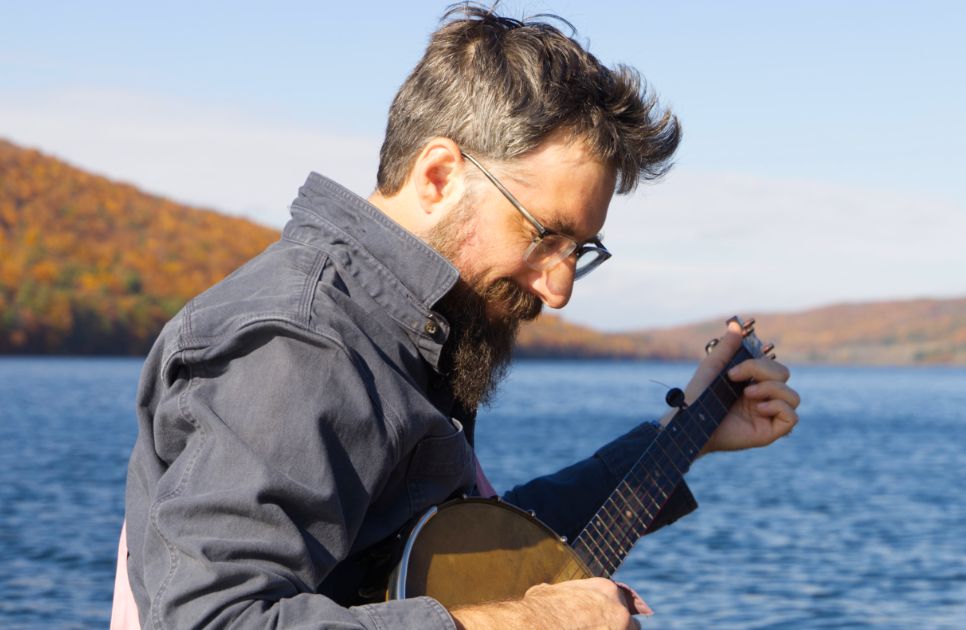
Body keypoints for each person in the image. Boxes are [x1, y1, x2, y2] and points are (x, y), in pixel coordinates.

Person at [115, 5, 800, 629]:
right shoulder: (300, 344)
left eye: (580, 250)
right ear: (440, 176)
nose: (559, 289)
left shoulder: (408, 328)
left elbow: (480, 554)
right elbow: (213, 621)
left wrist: (684, 434)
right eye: (544, 235)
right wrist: (533, 623)